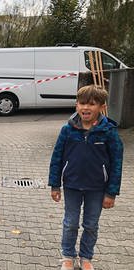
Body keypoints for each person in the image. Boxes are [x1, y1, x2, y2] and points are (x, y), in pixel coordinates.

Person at [49, 85, 123, 270]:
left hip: (97, 189)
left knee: (91, 224)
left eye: (91, 104)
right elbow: (57, 157)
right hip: (72, 185)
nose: (86, 108)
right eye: (82, 103)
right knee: (70, 223)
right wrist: (55, 185)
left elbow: (117, 163)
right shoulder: (68, 129)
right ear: (76, 105)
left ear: (101, 107)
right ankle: (68, 256)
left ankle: (86, 257)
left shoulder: (109, 132)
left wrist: (111, 193)